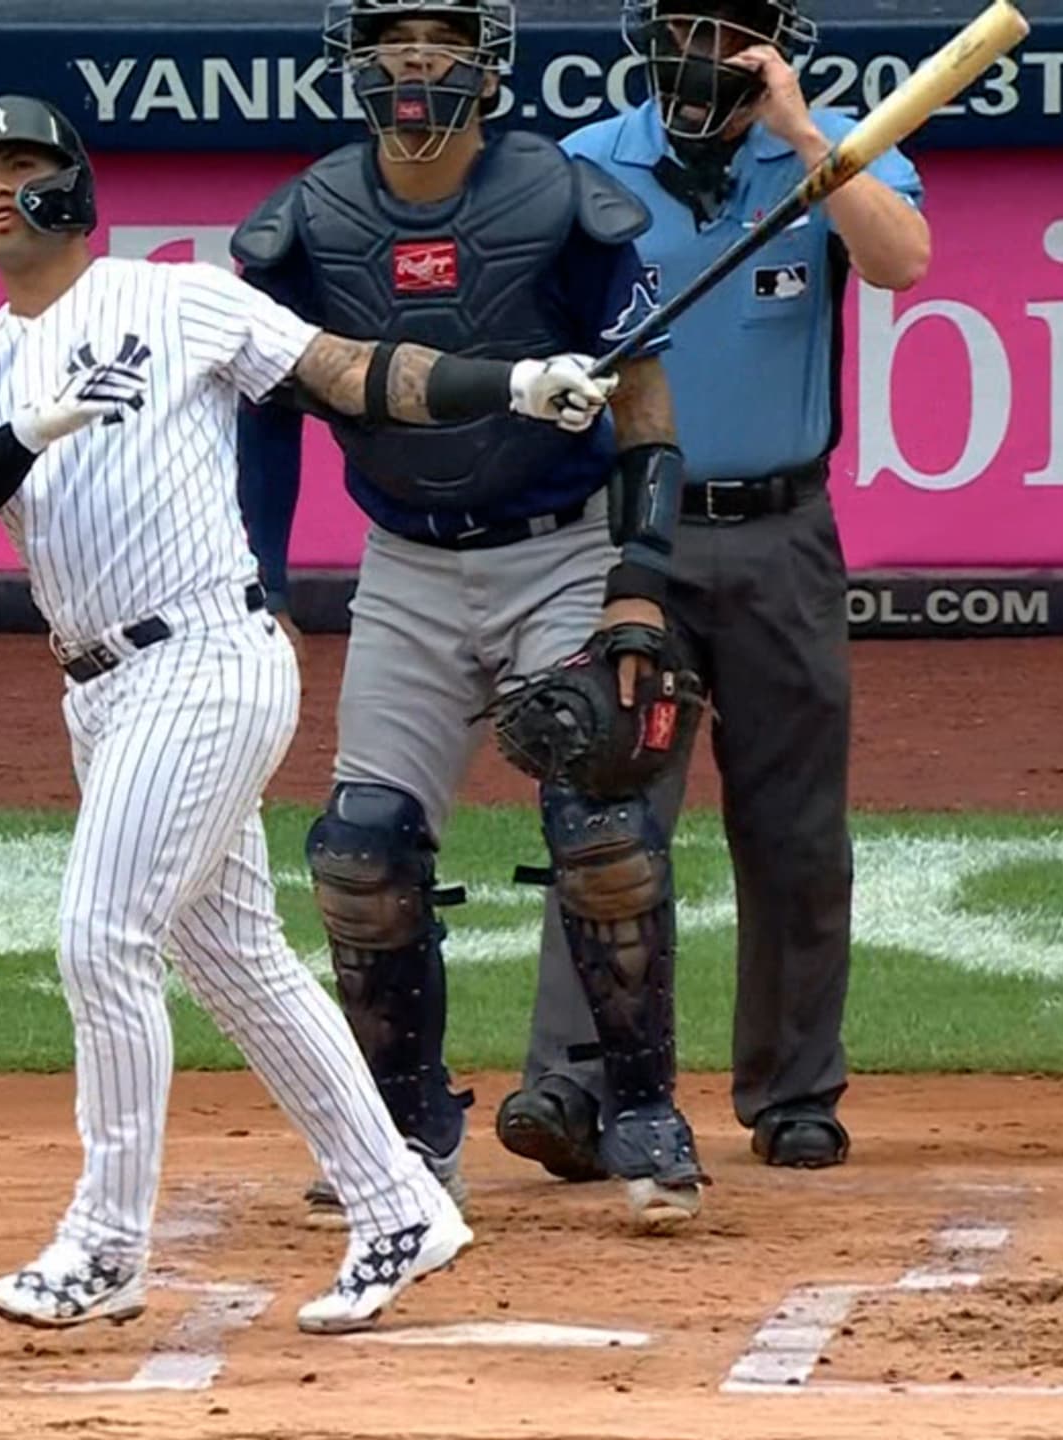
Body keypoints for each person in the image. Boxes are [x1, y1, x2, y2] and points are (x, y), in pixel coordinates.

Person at [0, 93, 618, 1333]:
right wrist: (32, 425)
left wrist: (514, 381)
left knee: (99, 937)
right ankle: (398, 1203)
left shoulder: (173, 298)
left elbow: (349, 372)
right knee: (233, 959)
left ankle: (106, 1243)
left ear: (73, 187)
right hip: (100, 687)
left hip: (209, 656)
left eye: (22, 164)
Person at [238, 0, 712, 1234]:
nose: (413, 65)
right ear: (352, 62)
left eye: (439, 41)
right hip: (403, 563)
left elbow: (646, 404)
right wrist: (265, 584)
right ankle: (404, 1128)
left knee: (598, 829)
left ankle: (645, 1111)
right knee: (359, 854)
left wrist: (636, 584)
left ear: (485, 63)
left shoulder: (562, 203)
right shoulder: (305, 224)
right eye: (390, 41)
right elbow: (264, 412)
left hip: (561, 549)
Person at [549, 0, 929, 1171]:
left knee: (795, 830)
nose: (700, 54)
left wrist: (810, 143)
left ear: (772, 47)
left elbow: (900, 260)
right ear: (644, 38)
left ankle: (794, 1090)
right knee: (607, 816)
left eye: (728, 33)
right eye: (679, 26)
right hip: (627, 539)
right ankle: (574, 1089)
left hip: (781, 532)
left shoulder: (841, 146)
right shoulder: (582, 165)